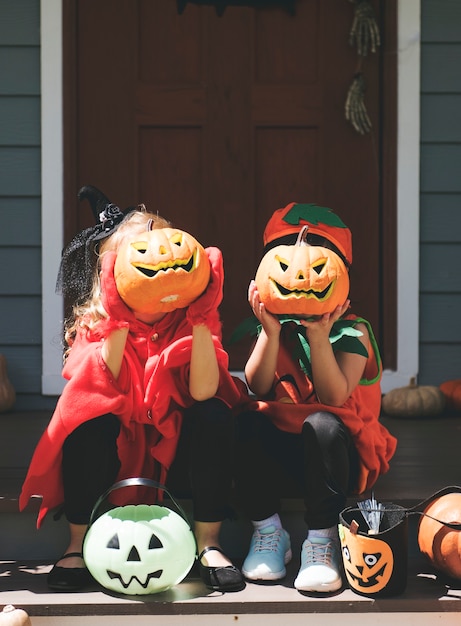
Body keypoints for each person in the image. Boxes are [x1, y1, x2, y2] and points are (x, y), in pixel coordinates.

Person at [19, 185, 247, 593]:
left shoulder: (190, 322)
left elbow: (203, 390)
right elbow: (98, 388)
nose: (160, 264)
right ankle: (76, 544)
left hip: (175, 457)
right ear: (114, 273)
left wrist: (201, 317)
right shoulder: (96, 326)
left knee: (213, 413)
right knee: (87, 421)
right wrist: (119, 318)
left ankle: (208, 542)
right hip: (114, 461)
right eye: (141, 257)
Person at [234, 202, 397, 594]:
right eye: (286, 264)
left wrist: (319, 336)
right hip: (285, 454)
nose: (302, 274)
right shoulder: (276, 329)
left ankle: (321, 540)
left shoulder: (353, 333)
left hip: (334, 457)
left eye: (319, 267)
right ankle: (268, 532)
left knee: (321, 424)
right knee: (248, 418)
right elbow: (256, 385)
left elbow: (334, 395)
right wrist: (270, 334)